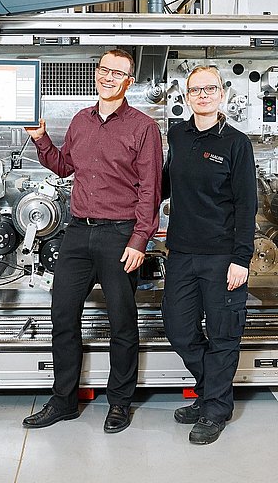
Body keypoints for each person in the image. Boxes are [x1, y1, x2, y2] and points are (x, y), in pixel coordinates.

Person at [22, 49, 163, 433]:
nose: (108, 77)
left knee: (122, 322)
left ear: (129, 82)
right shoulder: (80, 121)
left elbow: (151, 189)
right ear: (96, 74)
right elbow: (65, 166)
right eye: (104, 70)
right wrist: (41, 139)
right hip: (78, 231)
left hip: (120, 235)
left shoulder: (144, 128)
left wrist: (139, 239)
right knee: (62, 316)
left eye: (118, 73)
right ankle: (64, 400)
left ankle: (119, 402)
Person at [162, 65, 257, 445]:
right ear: (186, 97)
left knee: (223, 335)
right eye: (195, 89)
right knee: (179, 330)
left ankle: (214, 408)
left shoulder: (237, 143)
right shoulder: (178, 136)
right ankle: (212, 392)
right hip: (182, 253)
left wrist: (242, 258)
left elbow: (246, 205)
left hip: (222, 258)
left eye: (209, 88)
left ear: (222, 94)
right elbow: (164, 186)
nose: (202, 95)